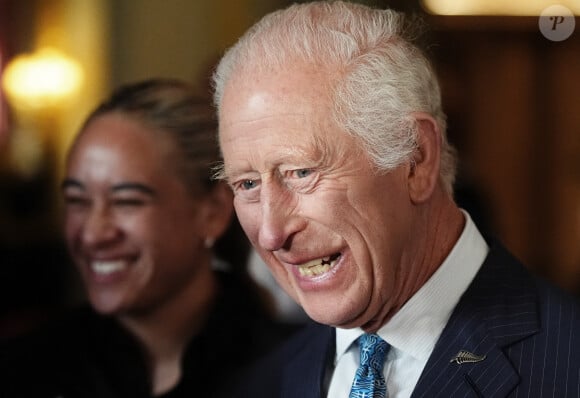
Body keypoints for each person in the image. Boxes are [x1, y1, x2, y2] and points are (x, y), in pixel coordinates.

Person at [212, 1, 580, 397]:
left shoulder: (567, 364)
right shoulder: (258, 383)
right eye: (248, 184)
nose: (270, 233)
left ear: (415, 160)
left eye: (302, 173)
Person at [0, 78, 295, 397]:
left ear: (213, 212)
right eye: (77, 201)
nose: (93, 233)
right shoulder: (23, 371)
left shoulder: (299, 370)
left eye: (127, 201)